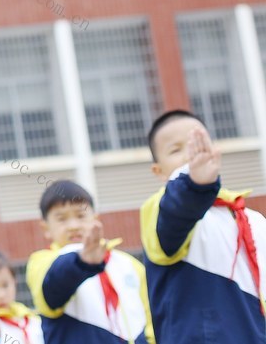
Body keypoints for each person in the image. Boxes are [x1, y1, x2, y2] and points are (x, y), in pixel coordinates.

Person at [140, 109, 266, 341]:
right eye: (176, 150)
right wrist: (195, 185)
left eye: (196, 143)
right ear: (158, 170)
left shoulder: (252, 219)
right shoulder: (158, 208)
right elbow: (175, 215)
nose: (191, 154)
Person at [26, 180, 154, 344]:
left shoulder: (128, 264)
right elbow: (52, 289)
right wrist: (81, 263)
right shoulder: (43, 261)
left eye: (80, 215)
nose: (73, 226)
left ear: (95, 218)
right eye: (61, 219)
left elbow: (152, 315)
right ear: (46, 228)